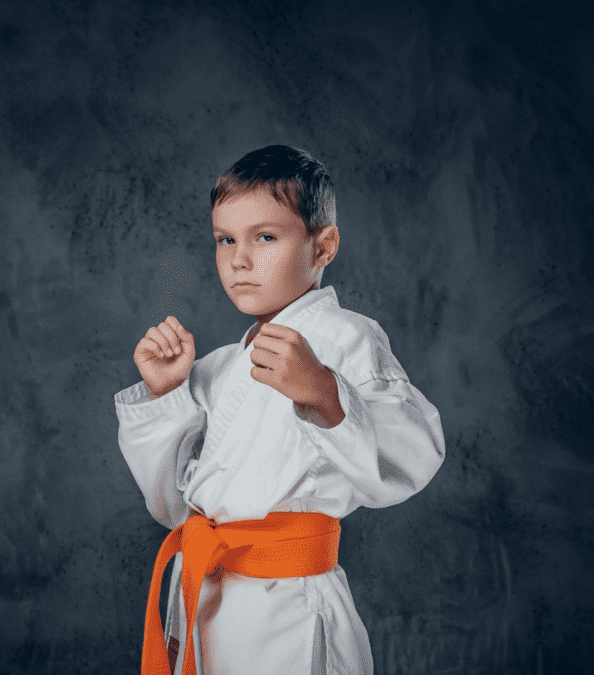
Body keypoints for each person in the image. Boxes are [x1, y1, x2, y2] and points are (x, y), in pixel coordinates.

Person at [113, 145, 446, 675]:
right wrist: (167, 394)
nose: (239, 260)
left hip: (290, 608)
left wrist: (324, 394)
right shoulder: (220, 366)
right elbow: (173, 508)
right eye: (225, 240)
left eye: (265, 237)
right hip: (209, 597)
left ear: (323, 245)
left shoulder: (345, 338)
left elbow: (414, 455)